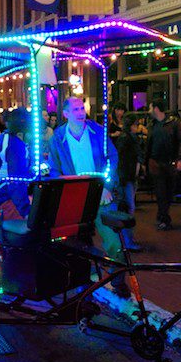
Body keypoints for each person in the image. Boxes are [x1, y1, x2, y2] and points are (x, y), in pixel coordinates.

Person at [48, 97, 128, 296]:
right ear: (66, 114)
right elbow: (54, 170)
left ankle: (117, 281)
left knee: (114, 242)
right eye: (75, 109)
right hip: (76, 196)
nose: (81, 112)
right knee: (79, 244)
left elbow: (113, 158)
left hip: (100, 193)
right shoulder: (58, 138)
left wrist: (107, 186)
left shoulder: (98, 131)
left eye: (82, 108)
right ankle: (84, 282)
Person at [146, 99, 181, 231]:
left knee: (167, 192)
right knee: (161, 192)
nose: (149, 110)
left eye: (151, 107)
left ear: (156, 109)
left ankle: (162, 216)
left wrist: (180, 158)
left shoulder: (172, 124)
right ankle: (163, 217)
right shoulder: (155, 124)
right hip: (157, 163)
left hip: (168, 162)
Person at [115, 113, 143, 251]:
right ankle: (127, 240)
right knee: (128, 207)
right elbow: (123, 160)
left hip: (126, 177)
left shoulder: (125, 137)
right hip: (126, 178)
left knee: (127, 207)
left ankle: (127, 239)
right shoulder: (128, 138)